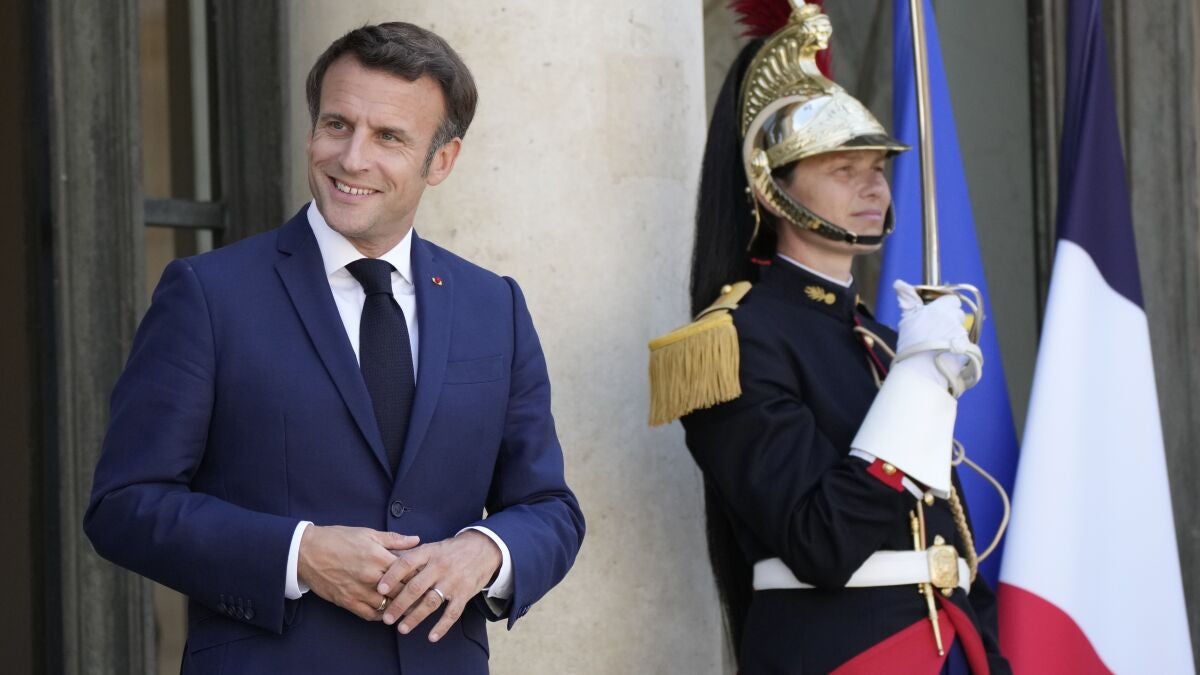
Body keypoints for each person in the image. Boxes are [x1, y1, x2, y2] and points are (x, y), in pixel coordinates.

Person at [84, 22, 584, 675]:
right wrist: (300, 554)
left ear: (442, 161)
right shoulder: (207, 295)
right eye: (337, 125)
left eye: (388, 137)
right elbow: (124, 504)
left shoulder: (496, 307)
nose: (351, 159)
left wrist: (486, 552)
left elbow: (549, 508)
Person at [648, 2, 1009, 673]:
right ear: (771, 188)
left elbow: (950, 541)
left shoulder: (884, 340)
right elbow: (821, 540)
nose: (873, 187)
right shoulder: (736, 342)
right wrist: (918, 383)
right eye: (844, 169)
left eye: (877, 167)